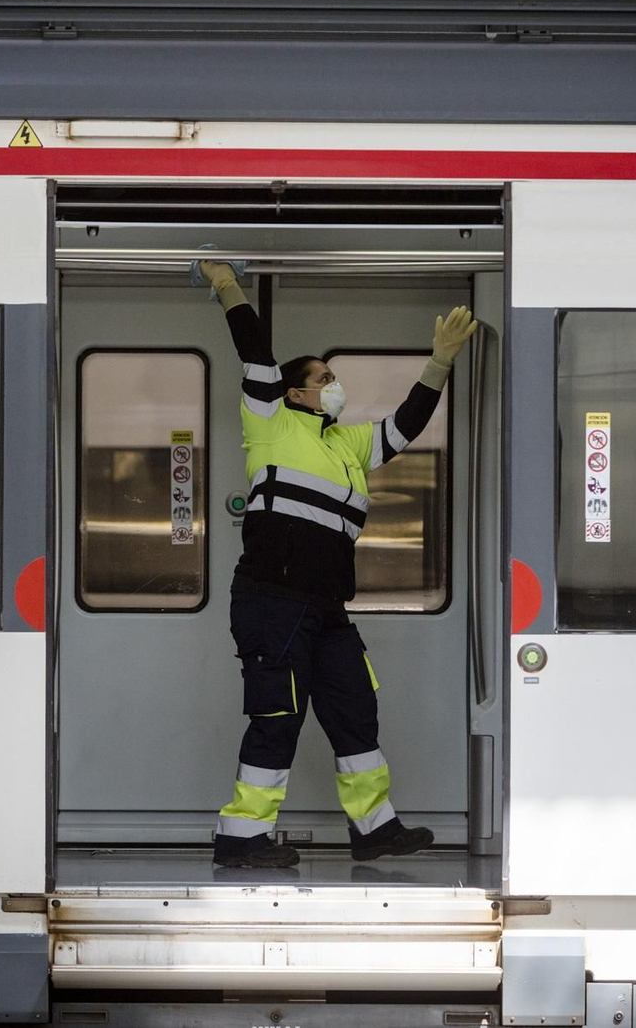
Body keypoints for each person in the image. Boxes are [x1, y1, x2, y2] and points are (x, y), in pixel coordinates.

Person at [199, 257, 478, 868]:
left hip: (326, 609)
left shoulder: (347, 442)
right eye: (323, 378)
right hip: (273, 601)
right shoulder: (270, 422)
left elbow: (404, 427)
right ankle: (241, 837)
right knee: (277, 717)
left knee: (355, 710)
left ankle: (374, 828)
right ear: (294, 392)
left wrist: (439, 363)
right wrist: (226, 284)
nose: (334, 384)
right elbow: (253, 349)